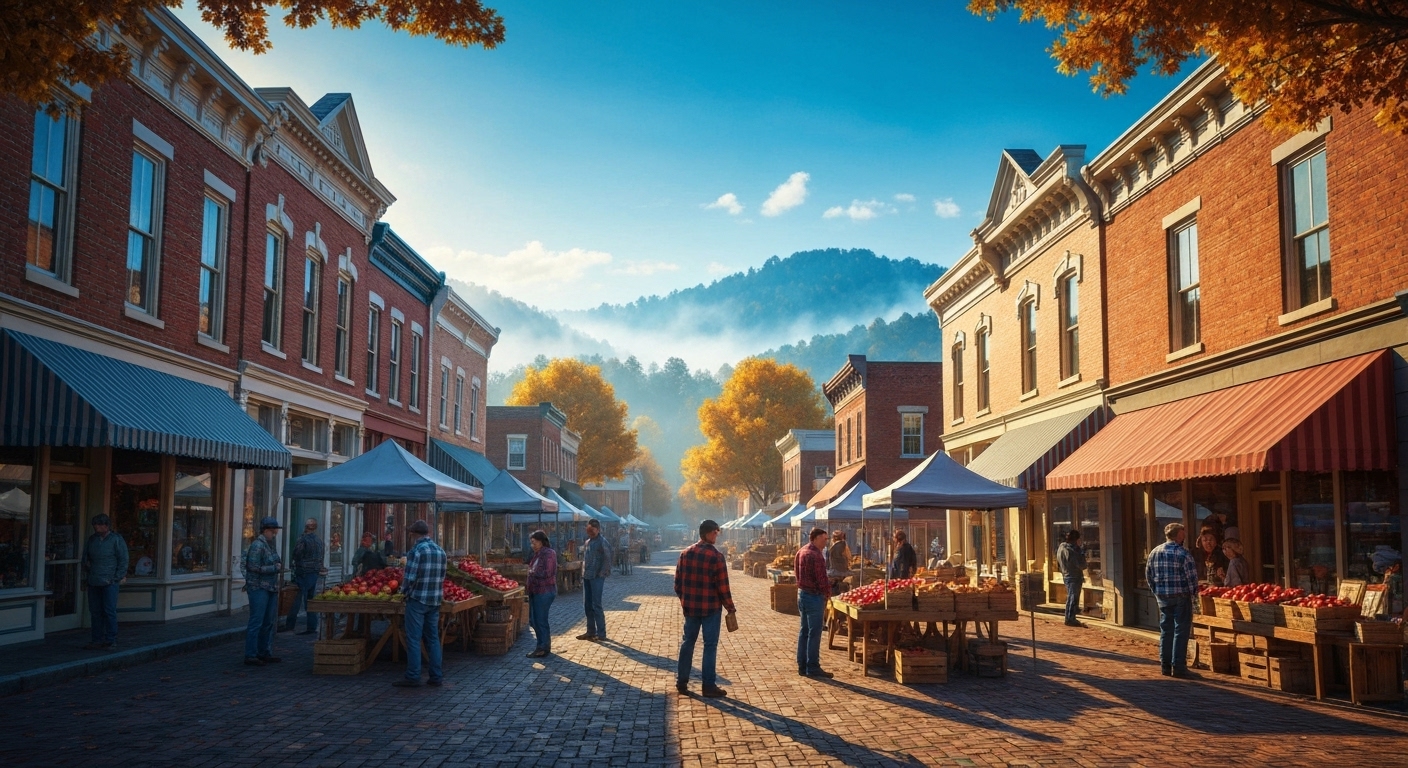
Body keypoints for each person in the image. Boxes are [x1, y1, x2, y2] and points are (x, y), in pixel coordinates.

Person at [674, 519, 735, 698]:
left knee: (688, 643)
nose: (717, 535)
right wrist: (730, 607)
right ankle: (708, 685)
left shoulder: (685, 554)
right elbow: (723, 587)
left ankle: (682, 681)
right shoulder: (716, 557)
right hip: (710, 608)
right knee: (710, 645)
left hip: (691, 608)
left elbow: (677, 584)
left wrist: (685, 600)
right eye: (716, 532)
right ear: (708, 534)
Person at [395, 520, 445, 687]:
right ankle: (436, 676)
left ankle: (413, 675)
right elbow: (443, 577)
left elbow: (409, 577)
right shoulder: (440, 551)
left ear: (414, 534)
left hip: (417, 599)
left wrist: (403, 593)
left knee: (414, 638)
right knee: (433, 638)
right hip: (435, 600)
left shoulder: (416, 551)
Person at [1145, 522, 1199, 678]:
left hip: (1163, 597)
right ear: (1179, 534)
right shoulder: (1183, 553)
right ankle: (1179, 666)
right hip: (1180, 596)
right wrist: (1194, 596)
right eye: (1183, 533)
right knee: (1181, 631)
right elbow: (1192, 579)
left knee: (1166, 630)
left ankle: (1165, 665)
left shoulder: (1155, 552)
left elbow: (1148, 575)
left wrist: (1157, 592)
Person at [241, 517, 284, 666]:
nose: (275, 534)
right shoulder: (257, 545)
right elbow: (253, 567)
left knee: (268, 622)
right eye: (273, 531)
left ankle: (264, 651)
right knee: (256, 621)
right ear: (266, 530)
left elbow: (277, 560)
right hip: (258, 587)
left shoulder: (270, 545)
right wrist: (274, 568)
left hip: (271, 587)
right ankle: (251, 654)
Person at [81, 514, 128, 650]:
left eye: (99, 524)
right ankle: (97, 639)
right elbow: (86, 558)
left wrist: (116, 577)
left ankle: (111, 639)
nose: (96, 527)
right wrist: (85, 577)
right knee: (95, 611)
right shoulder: (92, 540)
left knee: (109, 610)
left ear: (106, 526)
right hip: (94, 580)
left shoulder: (116, 540)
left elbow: (123, 559)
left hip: (110, 581)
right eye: (95, 525)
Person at [794, 527, 833, 679]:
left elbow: (796, 572)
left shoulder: (801, 551)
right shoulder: (816, 555)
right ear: (816, 538)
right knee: (814, 632)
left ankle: (802, 665)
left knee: (804, 631)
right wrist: (827, 593)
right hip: (813, 596)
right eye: (824, 539)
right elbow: (821, 579)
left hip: (802, 594)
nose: (825, 543)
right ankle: (813, 666)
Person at [285, 517, 325, 635]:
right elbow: (321, 556)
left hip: (303, 572)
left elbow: (297, 554)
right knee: (311, 600)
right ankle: (312, 626)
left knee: (296, 599)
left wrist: (295, 564)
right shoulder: (319, 541)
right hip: (314, 572)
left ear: (306, 527)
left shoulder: (303, 539)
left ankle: (290, 624)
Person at [526, 530, 558, 658]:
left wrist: (532, 572)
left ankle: (543, 647)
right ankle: (542, 645)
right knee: (533, 620)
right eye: (531, 543)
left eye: (534, 542)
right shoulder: (537, 554)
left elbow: (548, 572)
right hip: (535, 590)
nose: (532, 545)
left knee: (540, 619)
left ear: (541, 541)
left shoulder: (549, 554)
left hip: (544, 591)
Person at [578, 519, 611, 642]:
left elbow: (608, 559)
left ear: (598, 529)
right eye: (588, 530)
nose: (590, 532)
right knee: (587, 605)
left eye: (592, 530)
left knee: (596, 605)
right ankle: (590, 631)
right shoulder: (587, 542)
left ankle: (601, 633)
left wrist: (601, 573)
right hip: (587, 576)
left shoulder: (602, 542)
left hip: (596, 577)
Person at [1056, 530, 1087, 627]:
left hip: (1067, 575)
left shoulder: (1061, 547)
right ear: (1076, 540)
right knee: (1073, 597)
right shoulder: (1071, 550)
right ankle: (1070, 618)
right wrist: (1081, 553)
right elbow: (1081, 565)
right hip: (1073, 576)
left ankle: (1069, 617)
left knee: (1071, 597)